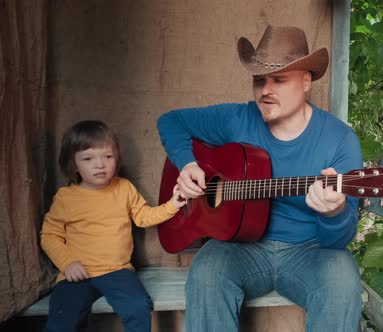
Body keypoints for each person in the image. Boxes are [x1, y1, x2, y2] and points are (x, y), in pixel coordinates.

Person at [157, 25, 363, 331]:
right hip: (240, 246)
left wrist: (334, 213)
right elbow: (170, 121)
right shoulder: (237, 118)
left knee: (343, 274)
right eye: (259, 80)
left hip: (309, 250)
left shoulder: (340, 140)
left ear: (306, 81)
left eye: (279, 79)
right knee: (206, 271)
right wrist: (187, 164)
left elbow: (338, 240)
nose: (265, 90)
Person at [40, 120, 185, 332]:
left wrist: (173, 204)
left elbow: (143, 217)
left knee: (138, 307)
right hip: (77, 273)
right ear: (74, 164)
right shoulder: (66, 197)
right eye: (88, 158)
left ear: (116, 158)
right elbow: (49, 235)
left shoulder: (124, 188)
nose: (100, 165)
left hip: (118, 271)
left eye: (107, 157)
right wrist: (67, 263)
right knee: (62, 318)